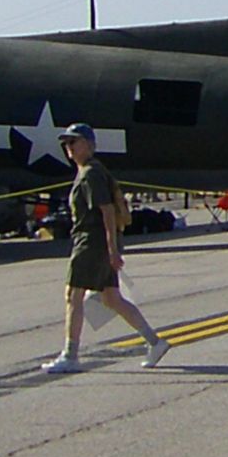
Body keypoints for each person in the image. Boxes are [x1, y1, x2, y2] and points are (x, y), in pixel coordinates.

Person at [40, 122, 168, 376]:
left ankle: (70, 354)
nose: (69, 147)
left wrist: (111, 249)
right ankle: (155, 342)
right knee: (111, 298)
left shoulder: (90, 174)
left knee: (73, 295)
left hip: (92, 241)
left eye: (74, 142)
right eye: (67, 143)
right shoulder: (92, 171)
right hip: (97, 241)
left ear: (88, 144)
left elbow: (107, 210)